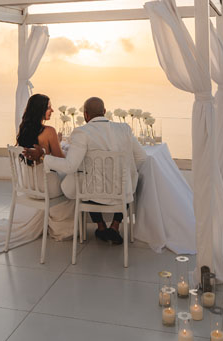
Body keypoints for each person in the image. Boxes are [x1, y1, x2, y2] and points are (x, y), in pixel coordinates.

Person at [25, 96, 146, 245]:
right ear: (105, 112)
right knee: (123, 180)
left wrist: (44, 157)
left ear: (86, 115)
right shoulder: (125, 129)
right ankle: (115, 226)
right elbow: (141, 157)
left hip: (92, 195)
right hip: (123, 194)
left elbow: (70, 166)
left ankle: (101, 226)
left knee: (82, 179)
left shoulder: (82, 132)